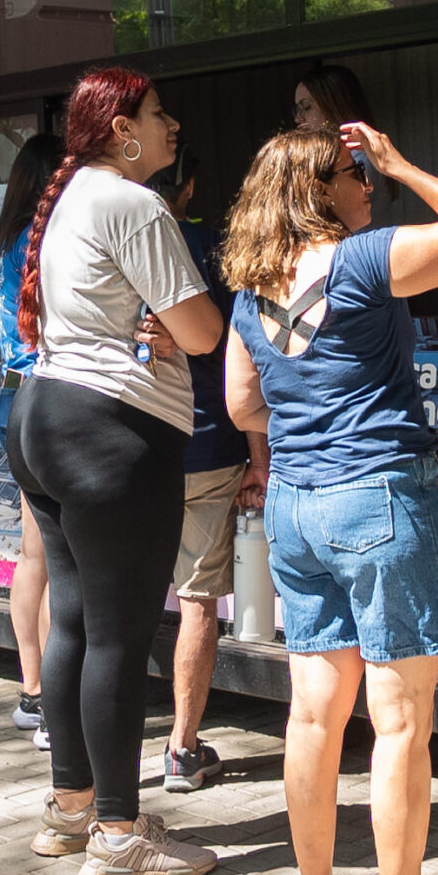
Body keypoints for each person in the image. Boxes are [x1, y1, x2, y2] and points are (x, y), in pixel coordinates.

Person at [223, 122, 438, 875]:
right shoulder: (358, 261)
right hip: (379, 497)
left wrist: (308, 416)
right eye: (357, 177)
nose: (369, 189)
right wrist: (404, 159)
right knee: (400, 724)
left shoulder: (249, 288)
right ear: (322, 191)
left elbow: (243, 401)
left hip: (296, 507)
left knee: (312, 716)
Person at [18, 67, 225, 875]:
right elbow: (204, 330)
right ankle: (117, 832)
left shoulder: (69, 198)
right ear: (120, 129)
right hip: (111, 431)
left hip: (43, 415)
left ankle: (73, 807)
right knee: (120, 635)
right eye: (158, 113)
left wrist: (155, 327)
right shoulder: (135, 203)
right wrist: (171, 329)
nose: (172, 125)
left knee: (73, 621)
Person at [148, 146, 269, 794]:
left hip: (134, 452)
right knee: (198, 603)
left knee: (124, 604)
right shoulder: (218, 248)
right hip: (208, 447)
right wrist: (260, 458)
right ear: (191, 186)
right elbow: (243, 351)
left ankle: (91, 761)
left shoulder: (121, 247)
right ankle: (181, 748)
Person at [0, 132, 66, 745]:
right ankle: (50, 704)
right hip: (50, 397)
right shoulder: (45, 245)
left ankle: (32, 689)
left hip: (13, 397)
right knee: (57, 557)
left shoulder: (7, 244)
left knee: (33, 554)